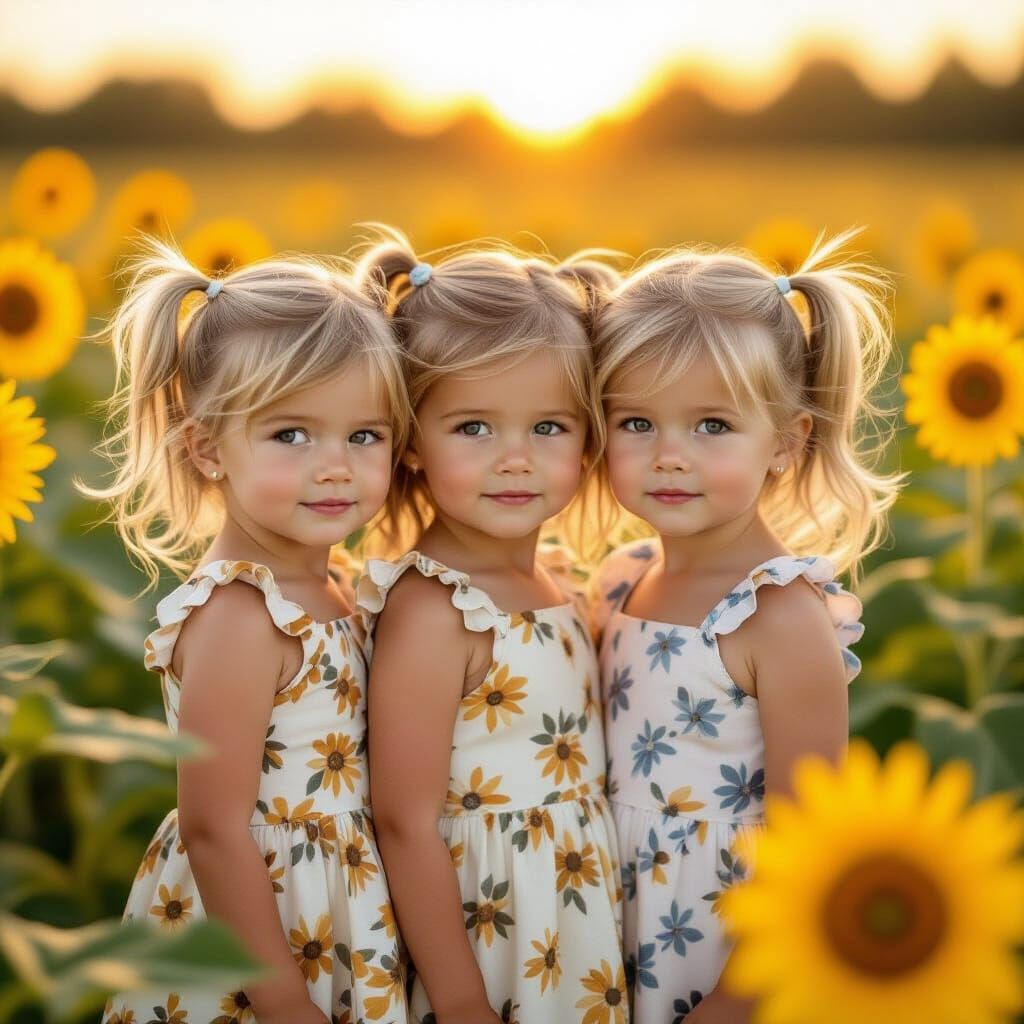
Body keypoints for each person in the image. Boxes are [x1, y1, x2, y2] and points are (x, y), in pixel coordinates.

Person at [85, 240, 412, 1024]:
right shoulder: (242, 614)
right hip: (258, 947)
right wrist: (284, 1006)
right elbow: (213, 828)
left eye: (363, 436)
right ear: (206, 448)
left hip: (337, 914)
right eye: (290, 436)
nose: (333, 466)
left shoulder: (332, 587)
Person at [589, 232, 903, 1022]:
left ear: (786, 443)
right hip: (605, 922)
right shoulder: (623, 579)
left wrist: (736, 998)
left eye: (712, 426)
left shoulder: (778, 615)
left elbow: (807, 838)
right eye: (636, 423)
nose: (669, 456)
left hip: (723, 945)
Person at [353, 229, 629, 1024]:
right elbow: (404, 821)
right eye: (474, 428)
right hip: (488, 933)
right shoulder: (437, 607)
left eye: (549, 427)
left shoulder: (553, 584)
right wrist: (464, 1002)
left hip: (571, 922)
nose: (516, 458)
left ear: (588, 439)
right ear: (410, 443)